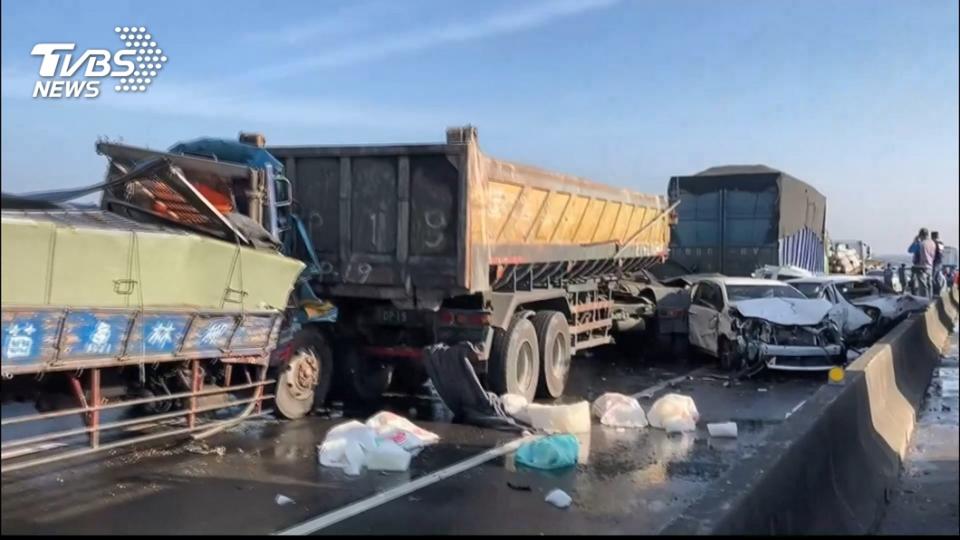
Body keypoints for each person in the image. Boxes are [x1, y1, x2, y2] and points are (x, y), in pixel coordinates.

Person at [908, 228, 937, 298]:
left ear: (921, 235)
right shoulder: (933, 243)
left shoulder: (920, 244)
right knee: (929, 286)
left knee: (923, 287)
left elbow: (910, 250)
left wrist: (914, 241)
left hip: (921, 267)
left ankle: (924, 303)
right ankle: (930, 302)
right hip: (930, 267)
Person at [931, 231, 945, 295]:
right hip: (940, 262)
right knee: (937, 277)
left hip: (935, 262)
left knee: (933, 277)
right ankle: (938, 290)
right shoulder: (941, 243)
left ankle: (935, 291)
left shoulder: (934, 243)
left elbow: (938, 253)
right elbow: (941, 253)